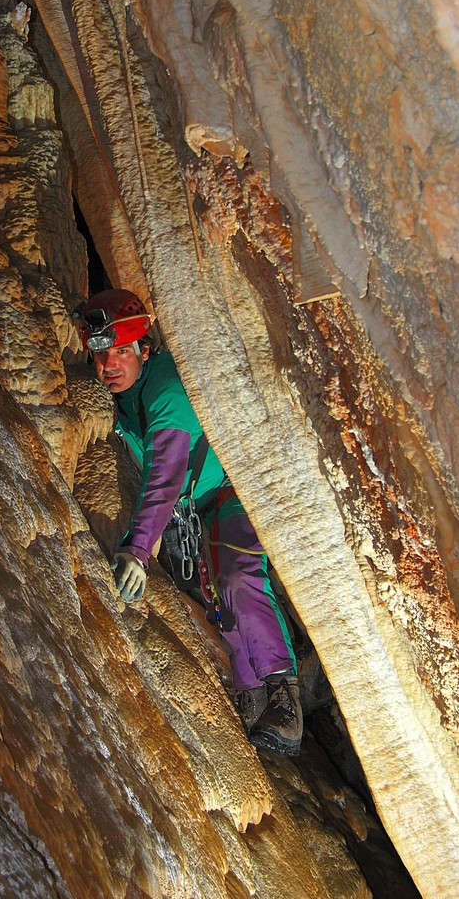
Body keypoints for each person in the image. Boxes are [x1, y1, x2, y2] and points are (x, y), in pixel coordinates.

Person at [73, 288, 303, 756]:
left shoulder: (166, 389)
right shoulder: (126, 394)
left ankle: (284, 695)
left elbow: (166, 470)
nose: (108, 366)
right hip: (194, 510)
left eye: (119, 352)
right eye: (99, 356)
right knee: (216, 597)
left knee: (237, 575)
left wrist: (138, 548)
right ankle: (251, 694)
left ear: (144, 349)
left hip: (232, 492)